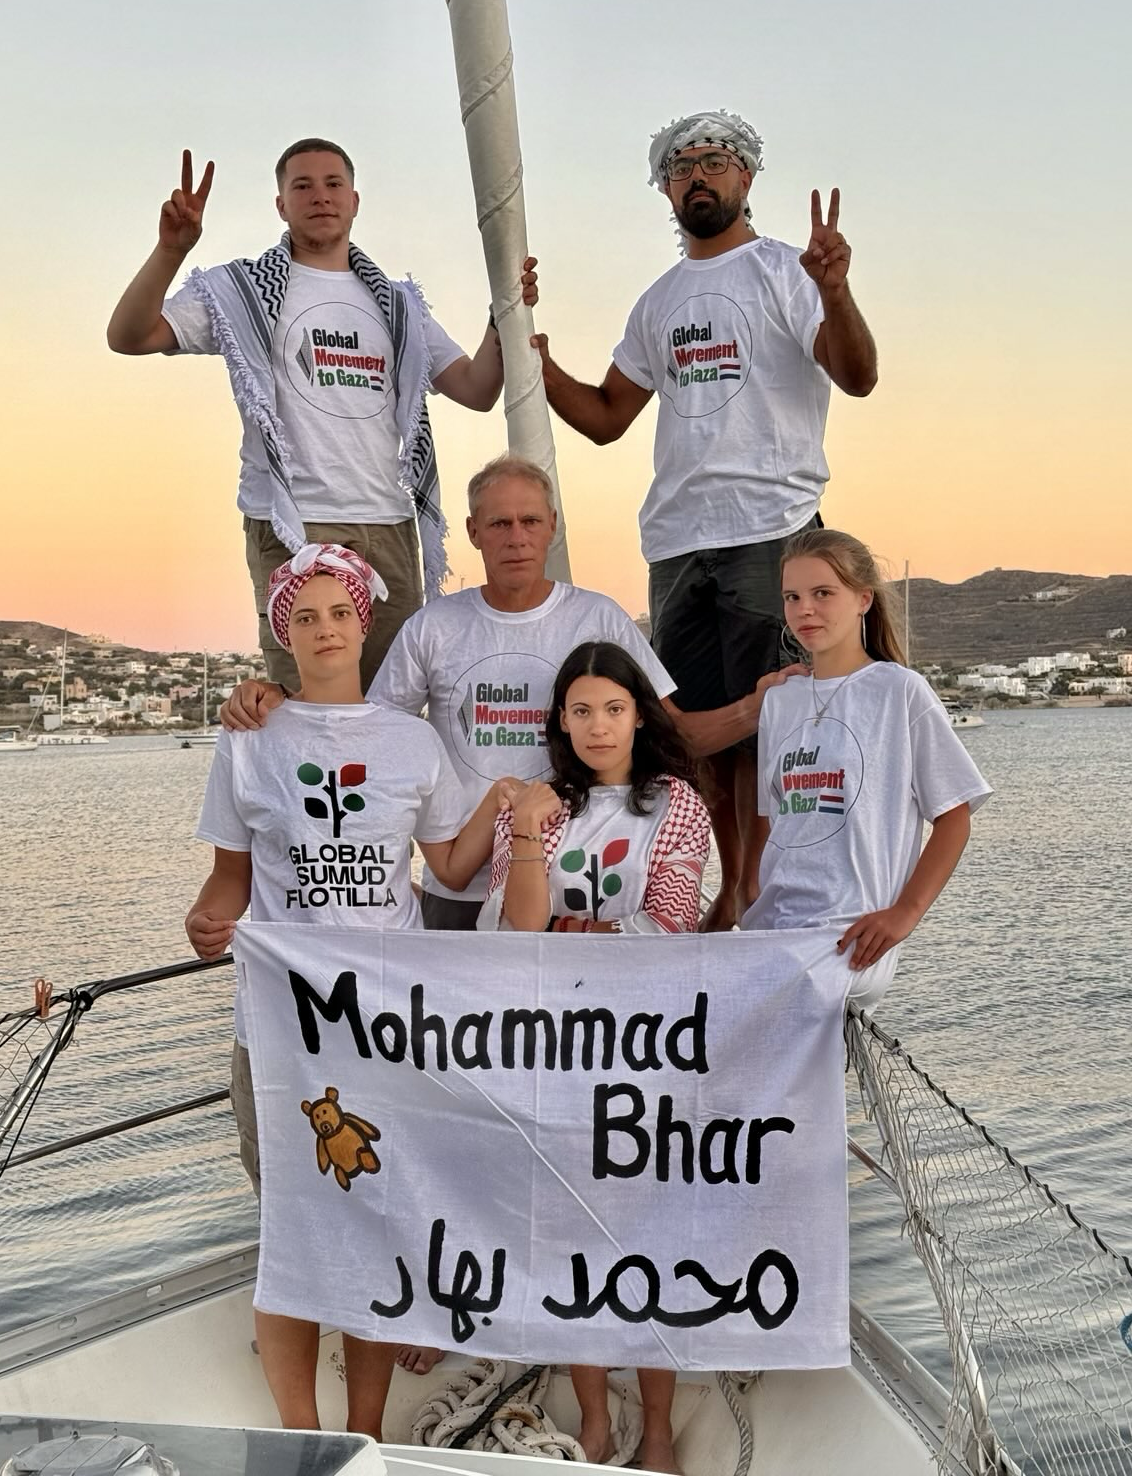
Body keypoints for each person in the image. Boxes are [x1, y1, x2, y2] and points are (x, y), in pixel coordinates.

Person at [184, 542, 513, 1436]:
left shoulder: (410, 741)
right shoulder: (249, 737)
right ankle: (301, 1434)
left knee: (377, 1221)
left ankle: (364, 1431)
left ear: (364, 625)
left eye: (339, 614)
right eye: (305, 616)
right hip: (280, 1024)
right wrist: (206, 922)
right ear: (283, 632)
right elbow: (229, 880)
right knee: (289, 1229)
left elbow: (448, 865)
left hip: (382, 1021)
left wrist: (507, 803)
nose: (324, 629)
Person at [523, 109, 878, 932]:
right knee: (696, 731)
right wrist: (538, 364)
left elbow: (857, 375)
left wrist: (834, 290)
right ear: (665, 190)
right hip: (678, 539)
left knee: (772, 714)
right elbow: (608, 416)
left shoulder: (784, 271)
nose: (698, 176)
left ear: (746, 176)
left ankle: (755, 888)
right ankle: (733, 883)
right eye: (680, 167)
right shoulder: (658, 302)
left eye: (715, 161)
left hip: (769, 522)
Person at [221, 455, 799, 936]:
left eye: (529, 521)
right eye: (499, 524)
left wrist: (758, 708)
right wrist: (281, 696)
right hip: (459, 889)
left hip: (573, 895)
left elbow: (674, 733)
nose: (516, 537)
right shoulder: (434, 627)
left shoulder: (598, 618)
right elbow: (364, 736)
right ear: (473, 531)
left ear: (552, 526)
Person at [108, 141, 507, 690]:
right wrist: (170, 251)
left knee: (392, 701)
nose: (320, 196)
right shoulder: (243, 291)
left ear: (355, 200)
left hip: (388, 524)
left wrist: (505, 312)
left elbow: (477, 388)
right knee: (306, 704)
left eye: (333, 183)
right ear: (281, 205)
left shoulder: (398, 305)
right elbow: (130, 336)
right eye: (302, 186)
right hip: (294, 523)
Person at [484, 641, 710, 1474]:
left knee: (649, 1235)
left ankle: (658, 1428)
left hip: (644, 1046)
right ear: (560, 720)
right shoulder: (534, 804)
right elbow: (519, 926)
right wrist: (529, 831)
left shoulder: (676, 804)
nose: (598, 725)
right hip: (553, 1045)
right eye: (580, 710)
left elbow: (672, 923)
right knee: (569, 1234)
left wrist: (580, 930)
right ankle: (593, 1420)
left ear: (639, 714)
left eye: (613, 708)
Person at [743, 528, 992, 1011]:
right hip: (771, 931)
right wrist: (746, 899)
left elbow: (954, 815)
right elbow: (776, 821)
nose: (805, 609)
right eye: (792, 597)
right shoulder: (779, 701)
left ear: (863, 599)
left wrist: (905, 914)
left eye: (823, 593)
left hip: (847, 940)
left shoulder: (899, 691)